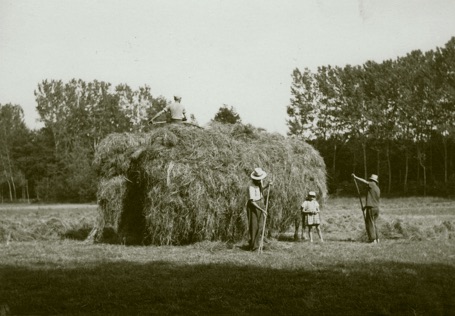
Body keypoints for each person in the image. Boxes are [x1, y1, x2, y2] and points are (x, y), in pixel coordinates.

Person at [247, 167, 272, 251]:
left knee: (261, 225)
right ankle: (254, 246)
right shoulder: (251, 186)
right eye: (258, 179)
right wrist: (262, 210)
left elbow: (261, 189)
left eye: (260, 179)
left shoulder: (259, 181)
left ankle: (258, 243)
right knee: (254, 226)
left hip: (260, 202)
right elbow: (252, 201)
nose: (260, 180)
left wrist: (267, 185)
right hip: (254, 206)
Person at [352, 173, 380, 243]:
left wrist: (356, 177)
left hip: (371, 208)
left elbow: (364, 181)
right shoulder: (377, 188)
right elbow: (373, 199)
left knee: (370, 223)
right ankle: (377, 239)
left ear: (372, 180)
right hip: (376, 208)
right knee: (374, 223)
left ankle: (372, 239)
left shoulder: (372, 184)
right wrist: (365, 207)